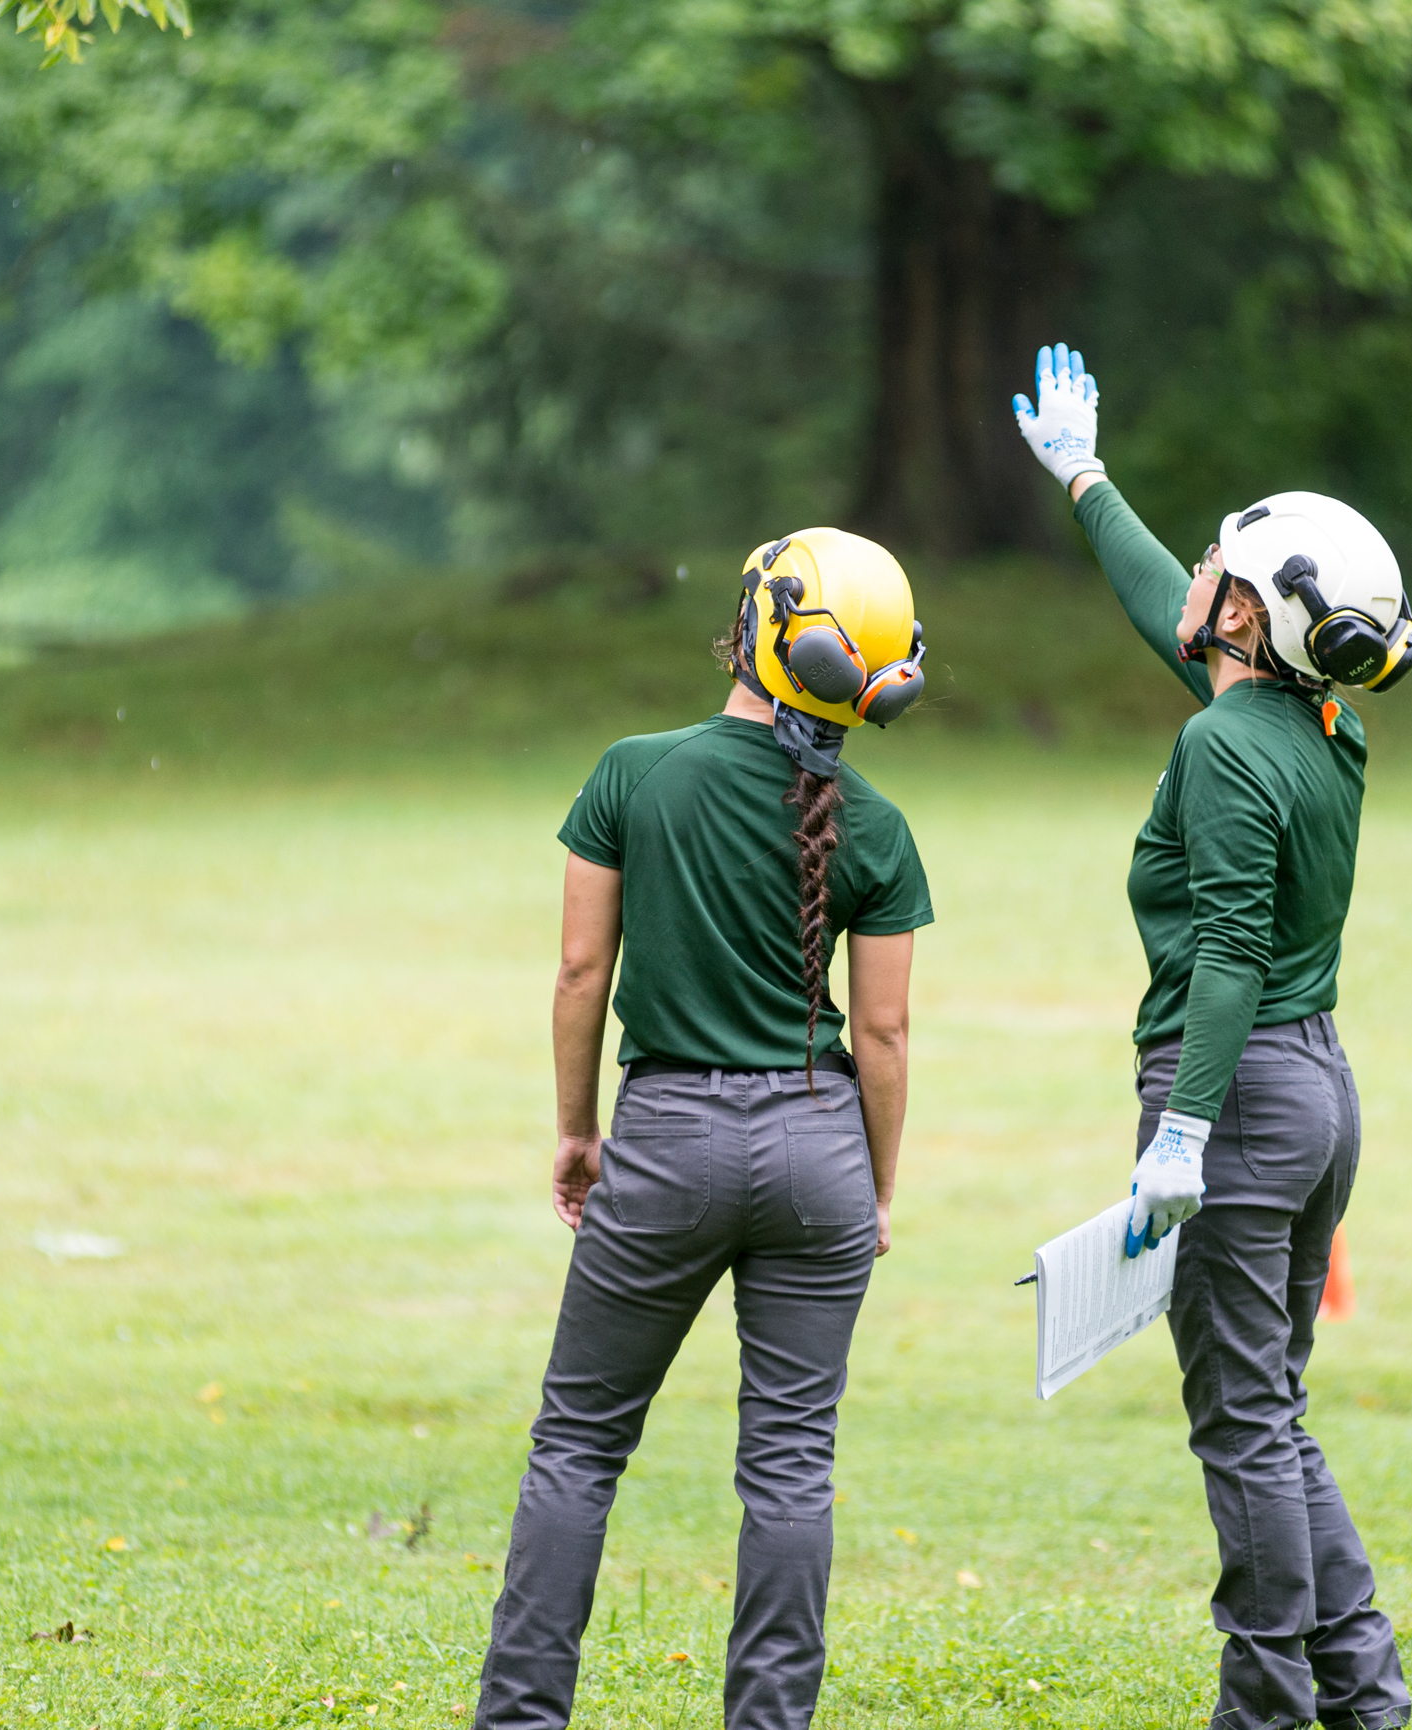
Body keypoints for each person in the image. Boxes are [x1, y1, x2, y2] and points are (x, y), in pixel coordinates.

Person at [1014, 343, 1412, 1730]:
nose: (1192, 572)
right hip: (1317, 1090)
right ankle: (1363, 1689)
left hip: (1238, 1097)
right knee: (1271, 1407)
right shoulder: (1316, 723)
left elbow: (1231, 953)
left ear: (1245, 612)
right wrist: (1085, 480)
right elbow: (1167, 617)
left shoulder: (1222, 747)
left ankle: (1264, 1705)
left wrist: (1181, 1128)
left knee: (1241, 1423)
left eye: (1214, 564)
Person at [472, 528, 936, 1730]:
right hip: (820, 1151)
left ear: (755, 631)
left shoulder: (634, 774)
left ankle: (519, 1717)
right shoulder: (878, 826)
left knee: (578, 1445)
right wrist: (875, 1188)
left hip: (666, 1137)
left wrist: (577, 1129)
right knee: (790, 1466)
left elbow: (580, 973)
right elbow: (882, 1036)